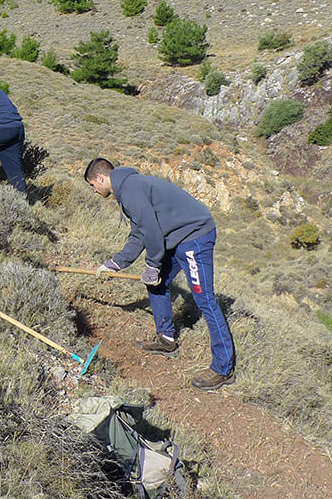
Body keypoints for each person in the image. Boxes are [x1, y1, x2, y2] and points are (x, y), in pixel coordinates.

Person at [84, 157, 235, 391]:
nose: (94, 190)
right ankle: (166, 339)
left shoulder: (130, 189)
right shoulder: (128, 188)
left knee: (205, 299)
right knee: (156, 283)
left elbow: (152, 232)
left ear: (101, 178)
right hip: (176, 237)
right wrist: (115, 264)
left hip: (194, 236)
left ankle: (223, 369)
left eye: (93, 185)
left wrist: (153, 264)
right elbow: (139, 233)